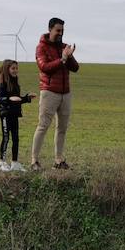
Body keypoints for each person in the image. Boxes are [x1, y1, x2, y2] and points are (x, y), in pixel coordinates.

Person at [30, 16, 80, 171]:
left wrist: (69, 56)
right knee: (43, 126)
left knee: (62, 128)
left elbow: (76, 68)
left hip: (66, 93)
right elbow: (44, 67)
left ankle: (58, 160)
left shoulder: (64, 46)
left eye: (62, 31)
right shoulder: (41, 47)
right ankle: (34, 161)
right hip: (49, 92)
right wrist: (62, 59)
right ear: (50, 29)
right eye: (58, 30)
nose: (60, 33)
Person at [0, 59, 34, 171]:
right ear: (7, 69)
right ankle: (2, 162)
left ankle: (15, 162)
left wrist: (26, 98)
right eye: (13, 68)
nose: (15, 70)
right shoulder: (2, 83)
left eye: (16, 68)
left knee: (16, 138)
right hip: (6, 114)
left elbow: (17, 99)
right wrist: (8, 98)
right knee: (6, 138)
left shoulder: (15, 83)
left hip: (15, 114)